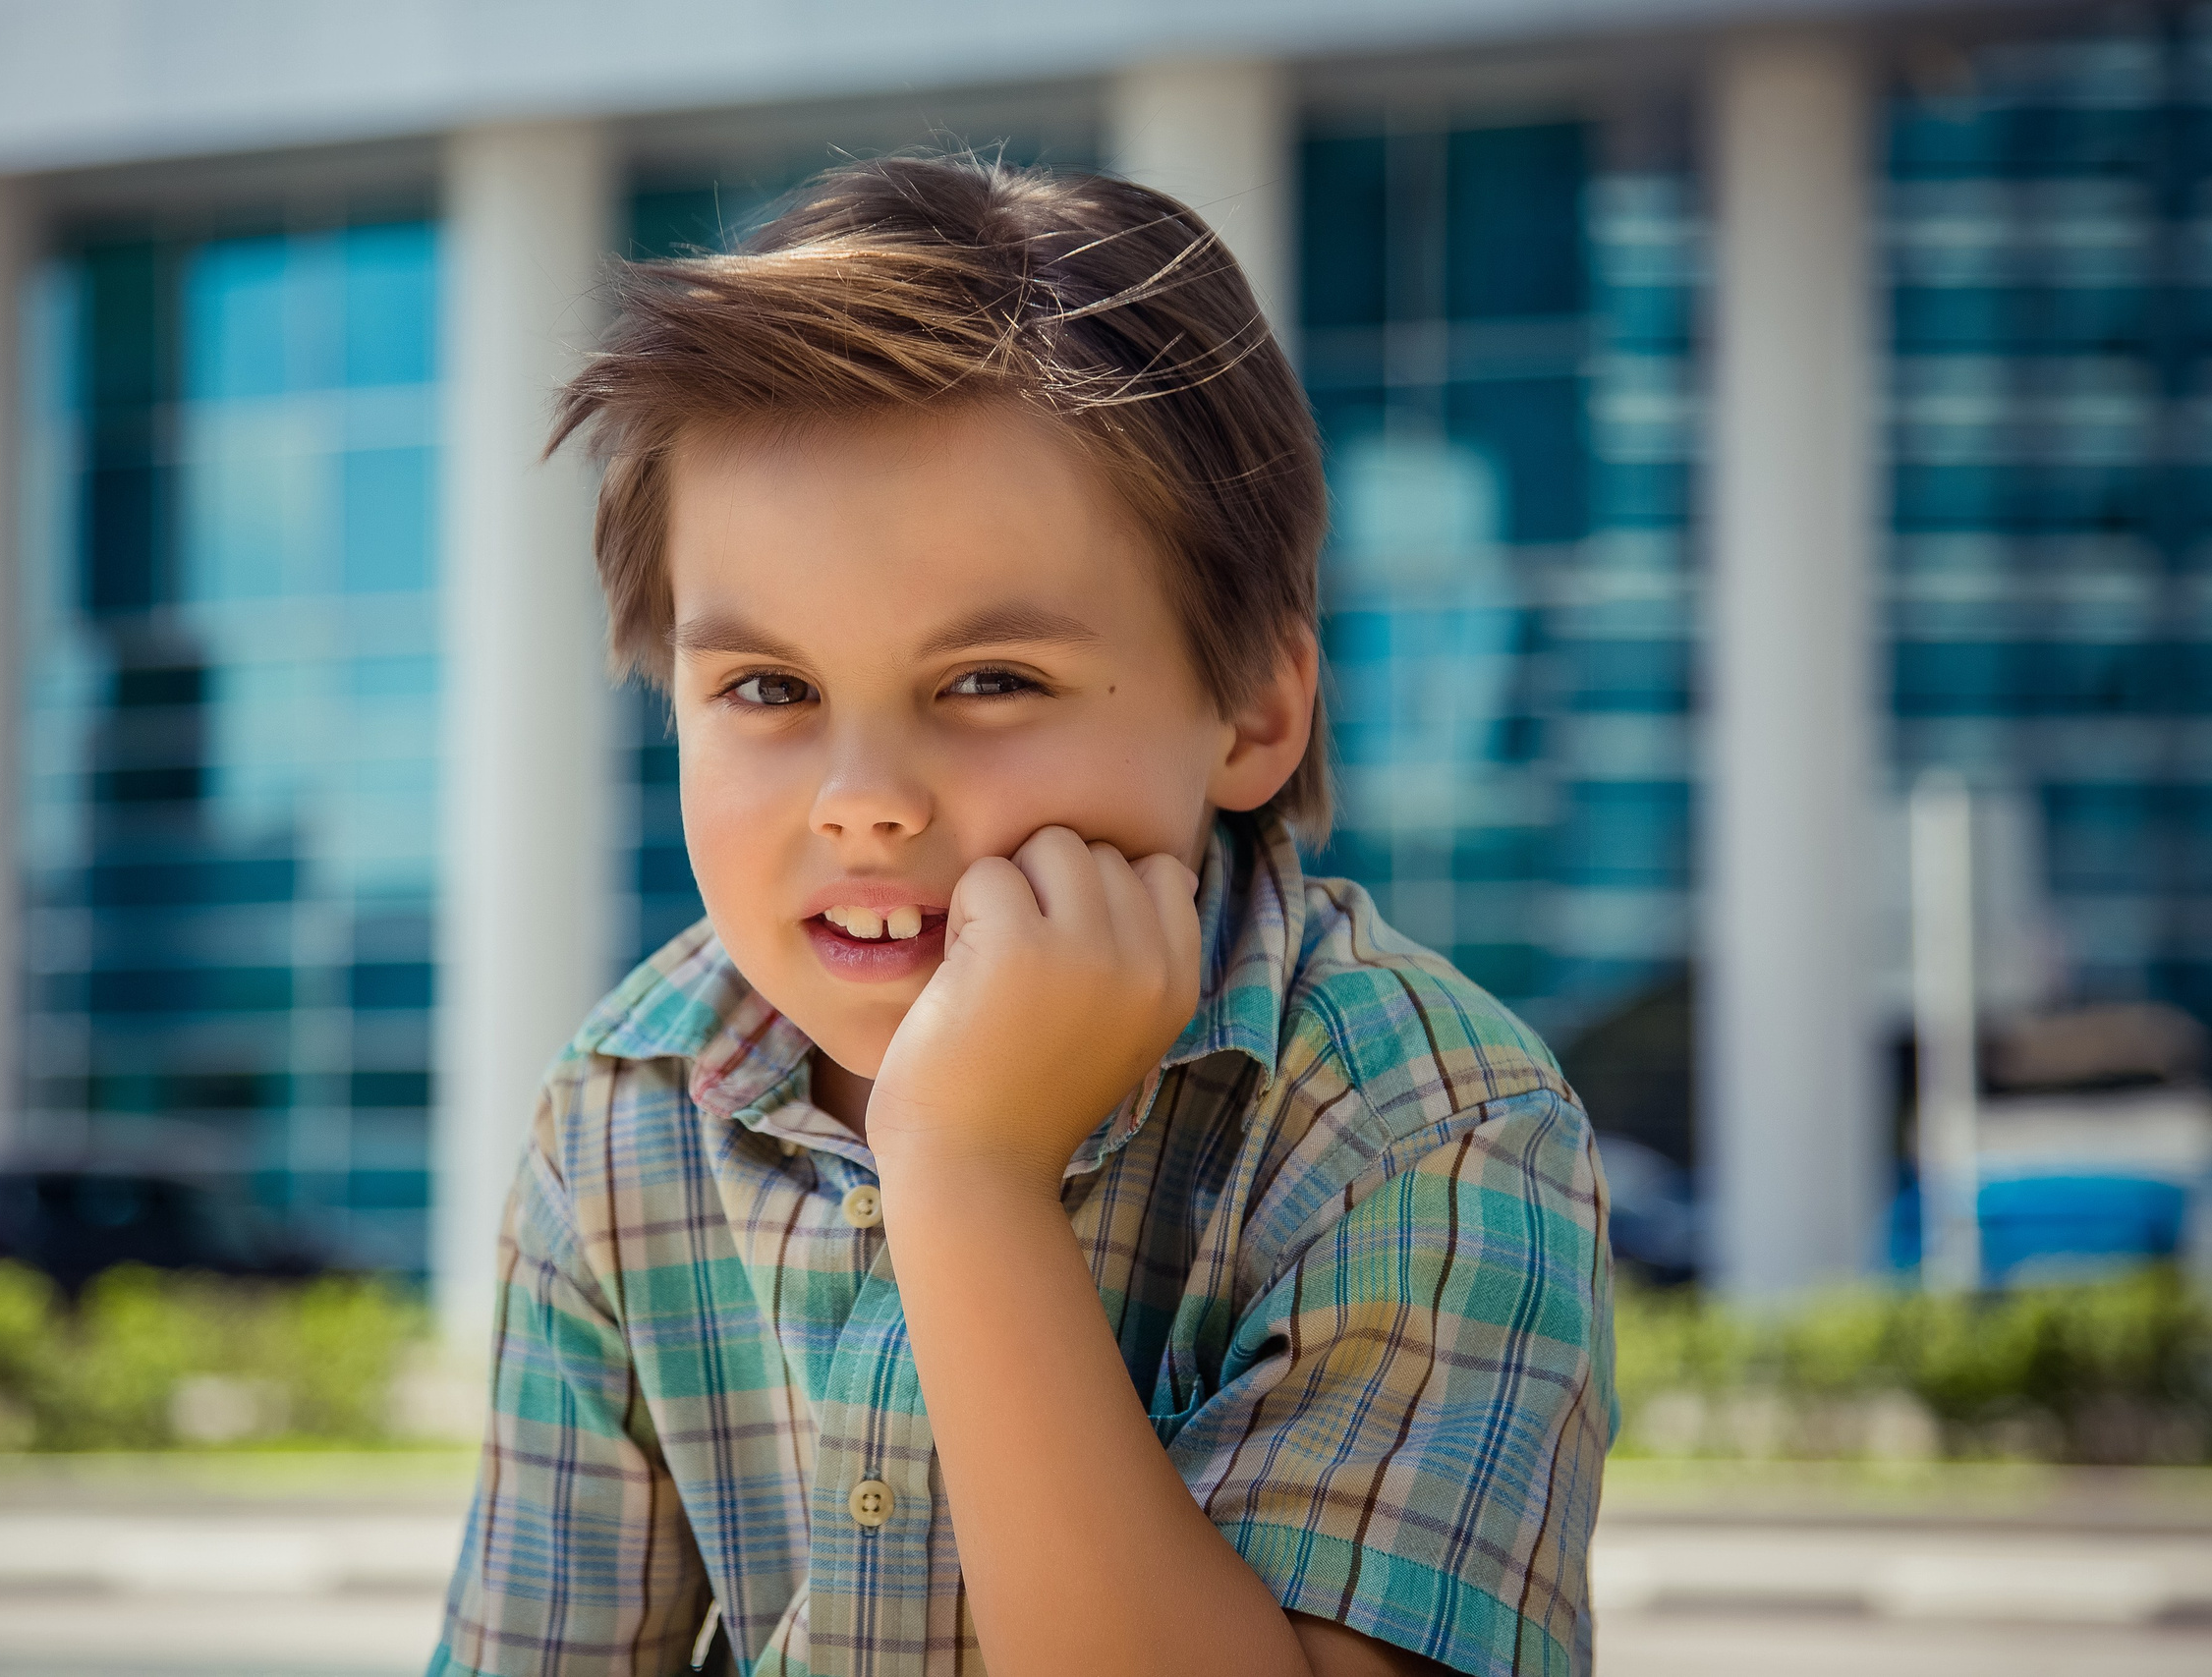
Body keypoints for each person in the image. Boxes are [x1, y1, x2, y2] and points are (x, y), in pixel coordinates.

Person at [429, 154, 1613, 1677]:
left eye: (990, 682)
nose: (863, 800)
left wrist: (970, 1173)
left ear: (1254, 709)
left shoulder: (1429, 1126)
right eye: (768, 689)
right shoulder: (627, 1107)